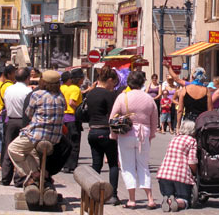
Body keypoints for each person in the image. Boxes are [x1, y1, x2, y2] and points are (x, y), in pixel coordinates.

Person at [8, 70, 66, 189]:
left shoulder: (38, 94)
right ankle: (41, 174)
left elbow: (29, 114)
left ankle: (34, 174)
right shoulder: (61, 96)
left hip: (37, 134)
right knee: (29, 152)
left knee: (13, 149)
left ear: (43, 82)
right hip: (55, 137)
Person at [110, 71, 158, 209]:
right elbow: (154, 120)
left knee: (127, 166)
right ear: (143, 82)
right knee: (143, 166)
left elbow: (112, 118)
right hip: (144, 133)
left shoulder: (122, 97)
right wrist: (151, 135)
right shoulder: (149, 98)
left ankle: (132, 199)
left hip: (126, 134)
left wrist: (113, 135)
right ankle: (150, 199)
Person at [86, 66, 121, 205]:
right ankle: (113, 195)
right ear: (110, 80)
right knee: (113, 164)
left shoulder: (90, 93)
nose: (114, 86)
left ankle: (92, 193)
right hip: (106, 131)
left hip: (92, 131)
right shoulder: (109, 95)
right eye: (114, 83)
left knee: (96, 164)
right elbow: (114, 114)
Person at [0, 67, 32, 186]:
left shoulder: (8, 89)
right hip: (23, 121)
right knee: (21, 150)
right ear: (28, 78)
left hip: (11, 120)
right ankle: (19, 178)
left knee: (8, 148)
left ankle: (5, 178)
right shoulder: (28, 91)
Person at [157, 120, 198, 212]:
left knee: (168, 193)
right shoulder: (192, 141)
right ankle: (177, 202)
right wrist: (194, 172)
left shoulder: (174, 138)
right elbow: (192, 161)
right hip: (180, 175)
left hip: (164, 174)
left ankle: (168, 199)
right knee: (185, 199)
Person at [61, 68, 84, 173]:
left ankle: (65, 163)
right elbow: (71, 102)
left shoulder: (67, 88)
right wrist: (79, 110)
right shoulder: (76, 89)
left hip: (65, 117)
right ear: (79, 80)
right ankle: (71, 165)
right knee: (74, 142)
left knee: (67, 141)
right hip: (73, 118)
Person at [0, 65, 15, 170]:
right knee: (6, 140)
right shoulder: (8, 87)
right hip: (3, 114)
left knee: (0, 138)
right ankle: (3, 162)